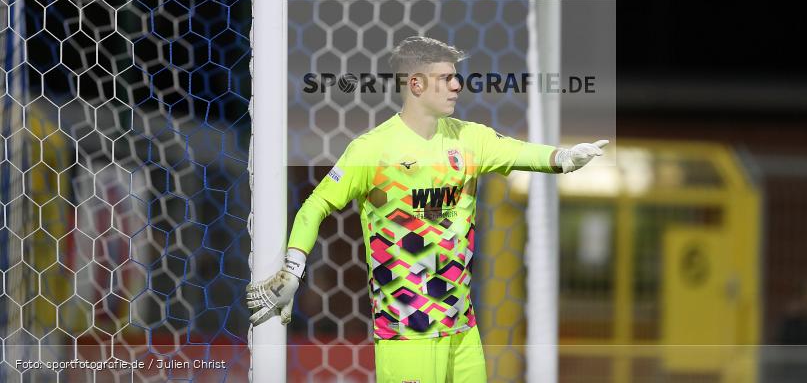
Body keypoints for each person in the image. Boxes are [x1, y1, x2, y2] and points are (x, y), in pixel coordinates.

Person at [246, 36, 608, 383]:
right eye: (446, 78)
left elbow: (521, 152)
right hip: (406, 329)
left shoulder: (470, 138)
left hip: (461, 327)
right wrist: (292, 271)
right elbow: (317, 204)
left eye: (455, 77)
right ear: (416, 84)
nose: (456, 86)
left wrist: (564, 158)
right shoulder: (372, 149)